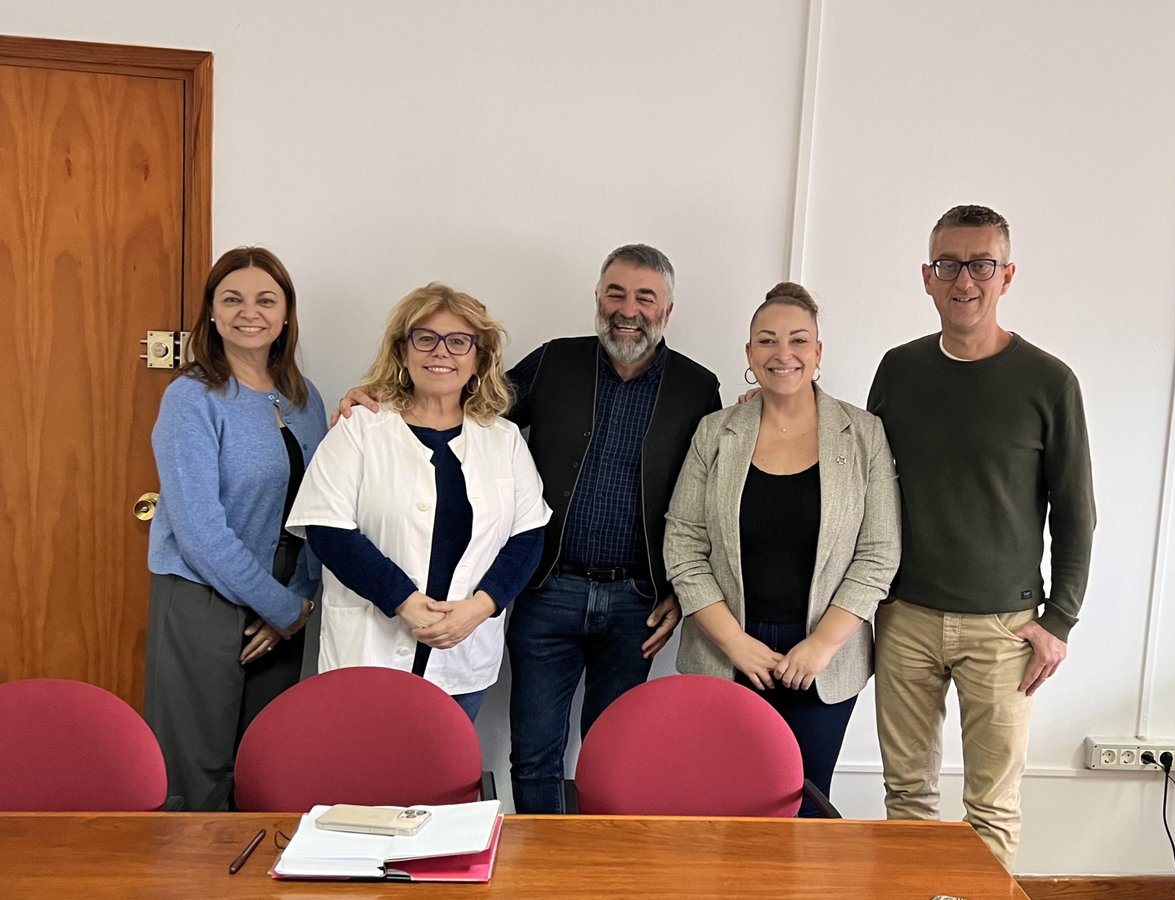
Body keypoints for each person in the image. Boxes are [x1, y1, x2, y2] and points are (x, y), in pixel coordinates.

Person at [336, 244, 721, 811]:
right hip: (547, 590)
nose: (627, 308)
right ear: (597, 298)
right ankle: (546, 877)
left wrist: (682, 590)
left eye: (645, 297)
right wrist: (377, 397)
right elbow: (463, 401)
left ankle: (600, 872)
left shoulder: (696, 387)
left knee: (615, 752)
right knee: (535, 753)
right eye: (615, 293)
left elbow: (709, 495)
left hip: (638, 600)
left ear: (667, 309)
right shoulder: (554, 362)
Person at [868, 205, 1096, 869]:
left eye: (981, 264)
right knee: (907, 796)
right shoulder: (899, 370)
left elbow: (1075, 511)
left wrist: (1061, 620)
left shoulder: (1049, 382)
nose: (964, 279)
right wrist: (766, 408)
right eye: (949, 265)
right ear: (927, 277)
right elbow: (858, 468)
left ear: (1006, 275)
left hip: (1005, 631)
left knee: (989, 808)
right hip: (904, 617)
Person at [664, 283, 900, 813]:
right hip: (726, 654)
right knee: (724, 805)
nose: (782, 353)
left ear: (818, 353)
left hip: (824, 658)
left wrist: (821, 646)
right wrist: (735, 643)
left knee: (808, 806)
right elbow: (682, 544)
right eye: (766, 341)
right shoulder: (715, 432)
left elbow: (879, 552)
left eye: (798, 340)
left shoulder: (863, 434)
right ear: (749, 355)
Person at [286, 283, 551, 721]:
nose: (440, 352)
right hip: (369, 649)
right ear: (403, 351)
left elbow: (528, 536)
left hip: (463, 651)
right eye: (424, 338)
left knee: (440, 783)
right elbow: (328, 530)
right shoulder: (360, 428)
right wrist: (405, 602)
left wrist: (480, 608)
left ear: (478, 358)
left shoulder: (502, 440)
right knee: (360, 783)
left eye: (459, 341)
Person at [145, 247, 323, 810]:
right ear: (213, 313)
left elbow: (323, 507)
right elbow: (199, 530)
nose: (251, 312)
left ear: (287, 313)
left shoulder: (304, 396)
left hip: (285, 599)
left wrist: (299, 600)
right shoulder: (191, 399)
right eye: (233, 299)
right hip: (202, 597)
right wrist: (280, 607)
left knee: (265, 768)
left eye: (266, 299)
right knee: (198, 774)